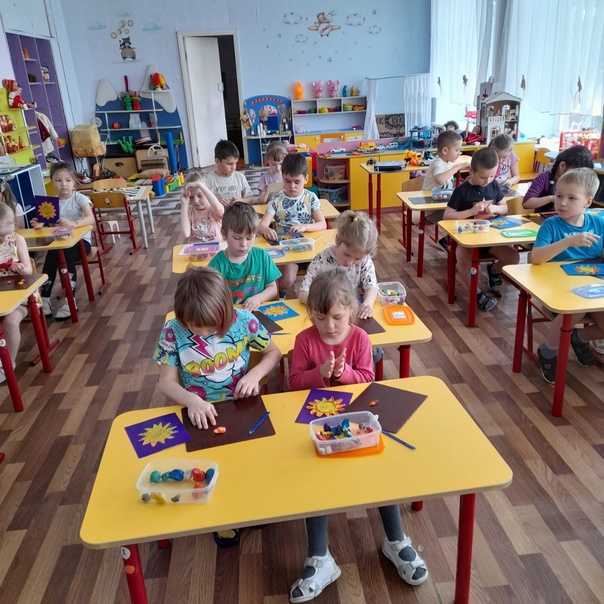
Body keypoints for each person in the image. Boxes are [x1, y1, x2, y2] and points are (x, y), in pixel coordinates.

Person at [288, 269, 428, 603]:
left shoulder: (361, 338)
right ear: (312, 314)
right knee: (314, 477)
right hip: (317, 423)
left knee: (380, 471)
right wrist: (319, 373)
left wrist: (344, 372)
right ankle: (319, 558)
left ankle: (395, 540)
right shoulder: (304, 340)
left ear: (351, 310)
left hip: (358, 422)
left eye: (337, 317)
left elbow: (366, 379)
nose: (330, 326)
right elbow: (293, 383)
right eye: (321, 318)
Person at [153, 266, 282, 547]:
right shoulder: (173, 331)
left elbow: (274, 352)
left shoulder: (244, 320)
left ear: (226, 310)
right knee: (211, 468)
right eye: (194, 326)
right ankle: (224, 518)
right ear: (181, 316)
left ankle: (252, 505)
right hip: (200, 411)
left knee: (249, 461)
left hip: (242, 406)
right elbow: (165, 382)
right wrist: (191, 400)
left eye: (211, 326)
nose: (203, 333)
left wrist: (254, 375)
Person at [531, 168, 604, 383]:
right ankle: (547, 352)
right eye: (559, 195)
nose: (562, 203)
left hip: (591, 287)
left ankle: (579, 338)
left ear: (587, 202)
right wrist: (568, 242)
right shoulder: (551, 225)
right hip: (557, 289)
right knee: (575, 309)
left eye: (571, 198)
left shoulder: (598, 224)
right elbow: (536, 258)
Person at [443, 148, 520, 311]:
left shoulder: (493, 185)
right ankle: (476, 293)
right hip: (467, 239)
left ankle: (494, 270)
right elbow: (447, 216)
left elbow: (504, 208)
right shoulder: (462, 190)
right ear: (471, 172)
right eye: (483, 177)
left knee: (513, 257)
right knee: (462, 259)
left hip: (490, 237)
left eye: (491, 176)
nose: (487, 181)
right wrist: (471, 211)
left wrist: (494, 208)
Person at [31, 162, 94, 320]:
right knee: (52, 256)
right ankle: (45, 298)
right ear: (52, 182)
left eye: (67, 180)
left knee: (65, 255)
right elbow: (45, 222)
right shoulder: (50, 202)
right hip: (59, 242)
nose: (63, 184)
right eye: (58, 180)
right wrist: (39, 224)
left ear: (74, 182)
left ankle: (70, 300)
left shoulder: (79, 198)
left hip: (81, 242)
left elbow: (90, 218)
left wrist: (73, 223)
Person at [258, 153, 326, 295]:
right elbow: (261, 225)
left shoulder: (310, 197)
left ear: (306, 179)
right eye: (287, 181)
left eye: (297, 182)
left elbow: (322, 224)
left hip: (309, 246)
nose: (292, 186)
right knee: (287, 280)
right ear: (282, 177)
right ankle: (278, 292)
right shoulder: (277, 199)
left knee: (323, 277)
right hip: (287, 248)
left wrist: (305, 227)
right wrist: (266, 230)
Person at [298, 210, 378, 319]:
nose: (350, 262)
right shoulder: (321, 260)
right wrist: (329, 304)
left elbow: (372, 286)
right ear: (337, 240)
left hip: (353, 317)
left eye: (357, 259)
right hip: (328, 317)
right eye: (347, 254)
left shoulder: (365, 260)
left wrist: (368, 303)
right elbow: (303, 294)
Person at [209, 202, 281, 310]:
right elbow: (210, 297)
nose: (243, 244)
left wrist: (258, 298)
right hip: (231, 314)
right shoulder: (217, 264)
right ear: (224, 234)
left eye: (249, 238)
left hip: (257, 311)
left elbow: (273, 288)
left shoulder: (261, 256)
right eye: (237, 238)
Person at [0, 204, 35, 383]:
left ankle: (8, 363)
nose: (2, 239)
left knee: (11, 322)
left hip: (19, 297)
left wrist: (20, 268)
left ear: (13, 225)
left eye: (4, 234)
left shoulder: (17, 240)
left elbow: (28, 269)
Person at [421, 130, 471, 250]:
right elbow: (439, 179)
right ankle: (449, 242)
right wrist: (458, 167)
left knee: (467, 211)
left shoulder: (447, 163)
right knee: (463, 215)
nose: (459, 153)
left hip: (443, 205)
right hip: (431, 211)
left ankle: (451, 242)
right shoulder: (438, 163)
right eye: (457, 150)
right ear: (445, 150)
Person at [523, 145, 594, 212]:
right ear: (562, 166)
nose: (576, 178)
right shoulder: (544, 178)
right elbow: (527, 203)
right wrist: (552, 198)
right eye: (574, 174)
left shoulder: (577, 182)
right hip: (544, 218)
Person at [204, 139, 253, 207]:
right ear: (217, 161)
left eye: (235, 163)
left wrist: (240, 201)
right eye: (229, 164)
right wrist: (216, 202)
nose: (233, 167)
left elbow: (250, 200)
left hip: (237, 212)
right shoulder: (208, 180)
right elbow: (202, 204)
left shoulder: (240, 177)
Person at [179, 169, 223, 241]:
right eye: (191, 197)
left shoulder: (214, 208)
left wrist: (200, 185)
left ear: (210, 192)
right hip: (196, 248)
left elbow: (218, 209)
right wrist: (184, 204)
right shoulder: (190, 211)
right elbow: (185, 233)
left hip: (215, 247)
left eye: (200, 195)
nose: (196, 201)